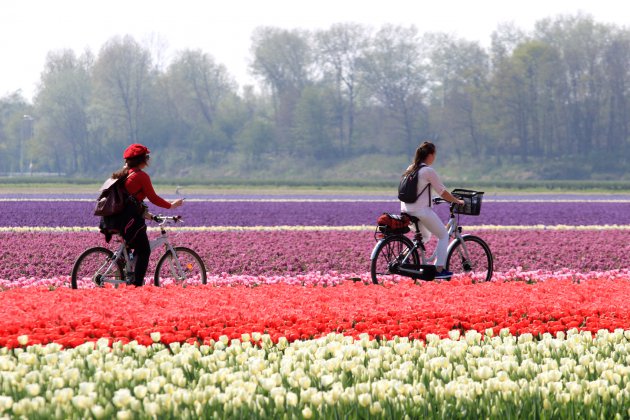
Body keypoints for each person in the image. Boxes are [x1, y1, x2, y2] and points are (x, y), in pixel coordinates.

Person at [111, 143, 183, 286]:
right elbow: (153, 198)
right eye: (147, 157)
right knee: (144, 250)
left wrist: (149, 215)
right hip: (131, 222)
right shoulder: (140, 176)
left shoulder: (124, 175)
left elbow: (131, 203)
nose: (148, 160)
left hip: (115, 219)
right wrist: (171, 205)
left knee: (135, 248)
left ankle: (127, 272)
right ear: (141, 160)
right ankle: (136, 285)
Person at [400, 141, 464, 279]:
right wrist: (457, 201)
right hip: (421, 211)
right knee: (443, 235)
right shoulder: (428, 171)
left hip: (406, 209)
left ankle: (403, 257)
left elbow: (417, 190)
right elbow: (442, 192)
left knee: (425, 236)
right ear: (430, 155)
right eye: (434, 155)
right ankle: (439, 269)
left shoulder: (411, 168)